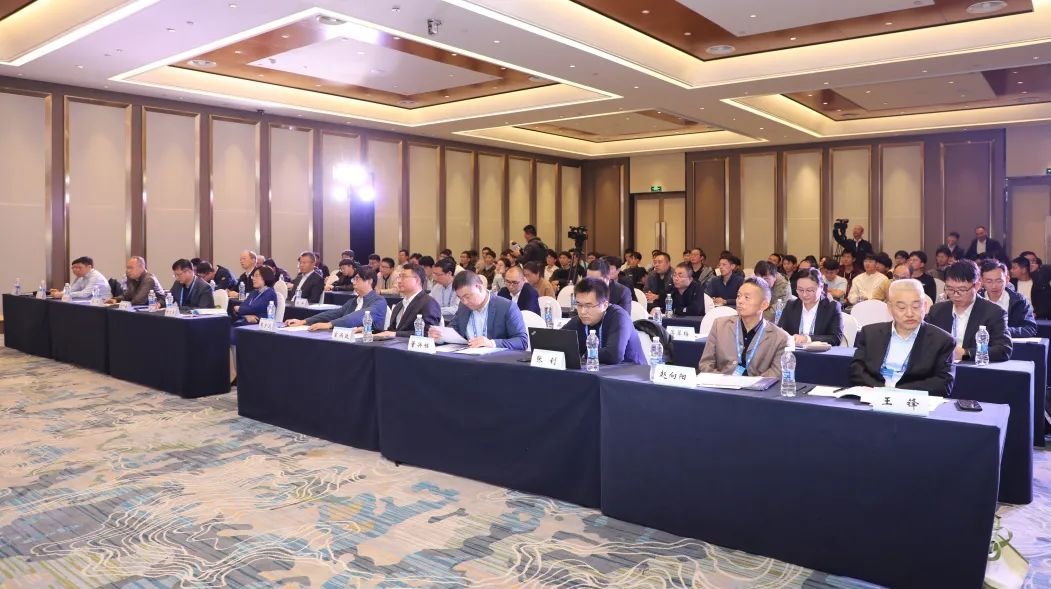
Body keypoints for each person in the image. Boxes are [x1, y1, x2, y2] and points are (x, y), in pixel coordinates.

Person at [849, 279, 955, 396]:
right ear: (890, 308)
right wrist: (882, 390)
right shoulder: (870, 333)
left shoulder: (942, 340)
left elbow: (943, 384)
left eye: (916, 306)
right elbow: (857, 371)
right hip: (873, 396)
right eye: (901, 307)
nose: (909, 313)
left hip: (913, 400)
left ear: (925, 306)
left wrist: (896, 392)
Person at [698, 277, 791, 378]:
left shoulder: (780, 338)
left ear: (764, 305)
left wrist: (750, 384)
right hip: (722, 385)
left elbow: (776, 373)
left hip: (757, 387)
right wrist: (725, 381)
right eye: (738, 296)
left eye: (747, 297)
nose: (740, 301)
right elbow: (705, 364)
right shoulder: (720, 325)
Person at [926, 260, 1012, 363]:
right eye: (950, 289)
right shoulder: (937, 310)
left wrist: (966, 354)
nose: (955, 295)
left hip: (972, 369)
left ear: (977, 285)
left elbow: (1003, 350)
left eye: (962, 289)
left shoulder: (994, 313)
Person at [428, 271, 529, 350]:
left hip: (495, 362)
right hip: (466, 359)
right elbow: (453, 330)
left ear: (479, 288)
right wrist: (440, 336)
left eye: (467, 296)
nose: (465, 301)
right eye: (460, 298)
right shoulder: (463, 306)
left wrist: (492, 343)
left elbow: (522, 341)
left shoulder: (506, 307)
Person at [560, 277, 646, 365]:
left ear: (604, 305)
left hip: (631, 370)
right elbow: (556, 342)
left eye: (588, 306)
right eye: (579, 305)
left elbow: (614, 355)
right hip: (597, 370)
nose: (582, 311)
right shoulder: (579, 320)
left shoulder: (619, 317)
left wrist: (585, 355)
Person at [286, 266, 387, 331]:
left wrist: (330, 324)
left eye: (357, 279)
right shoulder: (354, 301)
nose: (353, 282)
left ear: (369, 281)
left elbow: (357, 317)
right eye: (353, 279)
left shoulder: (379, 301)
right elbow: (335, 313)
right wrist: (304, 321)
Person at [777, 268, 842, 346]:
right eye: (800, 290)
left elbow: (835, 338)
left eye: (809, 290)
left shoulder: (832, 307)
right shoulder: (791, 305)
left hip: (820, 352)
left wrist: (807, 339)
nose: (804, 294)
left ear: (821, 287)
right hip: (794, 351)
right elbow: (780, 332)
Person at [379, 264, 442, 338]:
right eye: (399, 277)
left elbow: (428, 333)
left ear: (417, 280)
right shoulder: (399, 305)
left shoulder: (428, 303)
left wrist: (395, 334)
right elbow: (390, 331)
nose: (399, 281)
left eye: (404, 277)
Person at [979, 259, 1037, 338]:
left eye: (999, 281)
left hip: (1011, 343)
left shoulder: (1019, 300)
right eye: (989, 281)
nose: (994, 286)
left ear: (1007, 280)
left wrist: (1003, 331)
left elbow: (1030, 328)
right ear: (982, 281)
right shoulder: (975, 300)